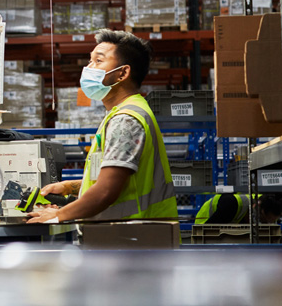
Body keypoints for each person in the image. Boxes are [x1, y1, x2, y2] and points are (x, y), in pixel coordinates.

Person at [28, 30, 177, 224]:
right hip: (130, 237)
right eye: (90, 61)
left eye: (98, 61)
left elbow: (106, 191)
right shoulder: (120, 113)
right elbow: (116, 180)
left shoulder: (126, 119)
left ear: (122, 73)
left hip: (133, 239)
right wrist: (69, 187)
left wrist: (57, 216)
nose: (89, 68)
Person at [195, 193, 282, 225]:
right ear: (255, 207)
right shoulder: (230, 205)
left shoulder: (266, 202)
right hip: (204, 223)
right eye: (262, 220)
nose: (262, 224)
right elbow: (207, 230)